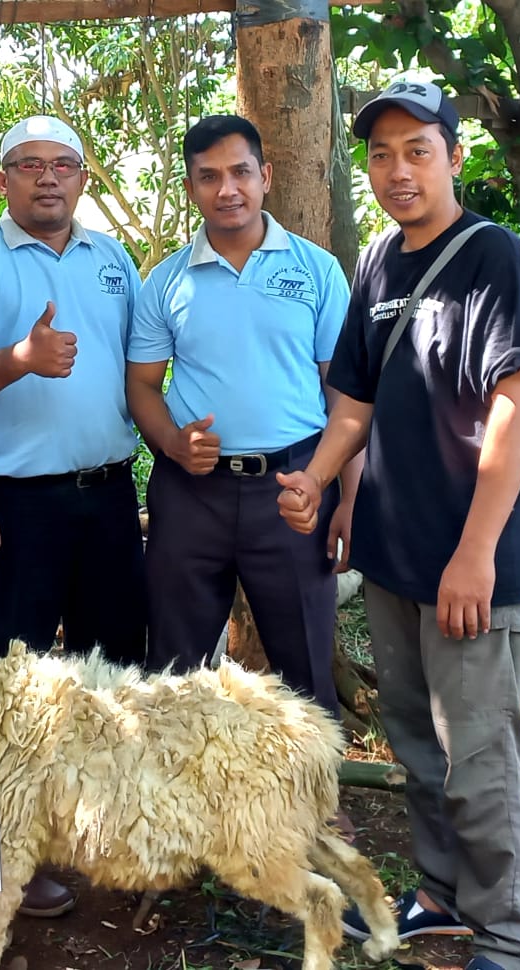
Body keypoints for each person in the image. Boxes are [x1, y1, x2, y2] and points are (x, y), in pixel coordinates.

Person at [276, 79, 520, 970]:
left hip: (469, 564)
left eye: (417, 150)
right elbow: (351, 401)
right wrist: (319, 482)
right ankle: (438, 892)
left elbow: (516, 410)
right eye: (382, 154)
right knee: (417, 746)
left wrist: (474, 555)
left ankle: (509, 935)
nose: (398, 171)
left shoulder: (495, 259)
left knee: (480, 760)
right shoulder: (380, 263)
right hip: (393, 558)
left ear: (454, 156)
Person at [125, 114, 356, 718]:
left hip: (294, 488)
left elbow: (347, 397)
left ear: (266, 177)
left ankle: (316, 806)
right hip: (189, 494)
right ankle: (177, 806)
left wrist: (348, 497)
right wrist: (173, 444)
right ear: (191, 188)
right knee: (174, 671)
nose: (227, 189)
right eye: (208, 177)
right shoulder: (166, 282)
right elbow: (142, 387)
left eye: (239, 172)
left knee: (305, 662)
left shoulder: (316, 270)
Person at [0, 115, 147, 667]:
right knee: (10, 665)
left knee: (113, 666)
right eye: (30, 165)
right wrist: (21, 359)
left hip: (109, 496)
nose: (48, 178)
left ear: (82, 180)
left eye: (63, 165)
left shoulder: (113, 258)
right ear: (2, 180)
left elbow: (140, 366)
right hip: (15, 504)